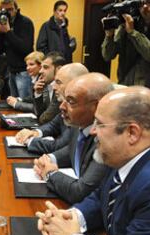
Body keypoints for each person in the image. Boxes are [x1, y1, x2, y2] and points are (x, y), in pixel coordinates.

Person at [36, 87, 150, 235]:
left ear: (132, 133)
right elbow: (102, 197)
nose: (93, 131)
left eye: (100, 124)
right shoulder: (128, 156)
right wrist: (71, 217)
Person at [33, 73, 113, 204]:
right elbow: (72, 150)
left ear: (97, 107)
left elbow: (79, 192)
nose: (62, 107)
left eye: (70, 102)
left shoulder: (108, 138)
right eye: (64, 99)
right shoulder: (79, 124)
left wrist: (50, 173)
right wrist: (49, 159)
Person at [15, 63, 88, 155]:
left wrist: (29, 140)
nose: (53, 87)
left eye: (58, 83)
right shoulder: (65, 103)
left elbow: (58, 146)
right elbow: (54, 125)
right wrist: (36, 132)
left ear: (74, 83)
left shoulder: (81, 110)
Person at [101, 0, 150, 98]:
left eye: (149, 2)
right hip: (125, 87)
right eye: (141, 3)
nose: (144, 7)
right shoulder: (128, 24)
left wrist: (132, 32)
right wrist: (109, 36)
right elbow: (107, 55)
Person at [7, 52, 65, 124]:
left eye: (45, 67)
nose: (41, 71)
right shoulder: (46, 83)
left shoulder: (61, 89)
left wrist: (17, 103)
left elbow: (44, 118)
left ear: (58, 69)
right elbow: (40, 113)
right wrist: (38, 93)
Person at [0, 0, 34, 98]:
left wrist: (8, 32)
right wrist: (1, 32)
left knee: (24, 104)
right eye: (4, 10)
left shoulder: (25, 23)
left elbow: (26, 49)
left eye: (10, 9)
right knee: (14, 105)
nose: (7, 13)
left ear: (16, 9)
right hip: (11, 71)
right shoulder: (4, 23)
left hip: (24, 72)